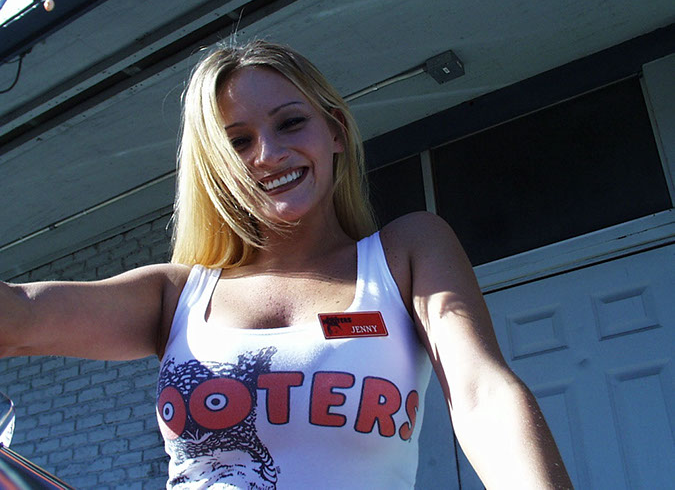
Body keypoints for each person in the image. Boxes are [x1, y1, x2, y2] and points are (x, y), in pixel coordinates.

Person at [0, 40, 572, 489]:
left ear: (336, 132)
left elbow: (482, 396)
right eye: (238, 142)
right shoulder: (175, 295)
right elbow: (21, 318)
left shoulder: (406, 253)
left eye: (291, 123)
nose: (269, 155)